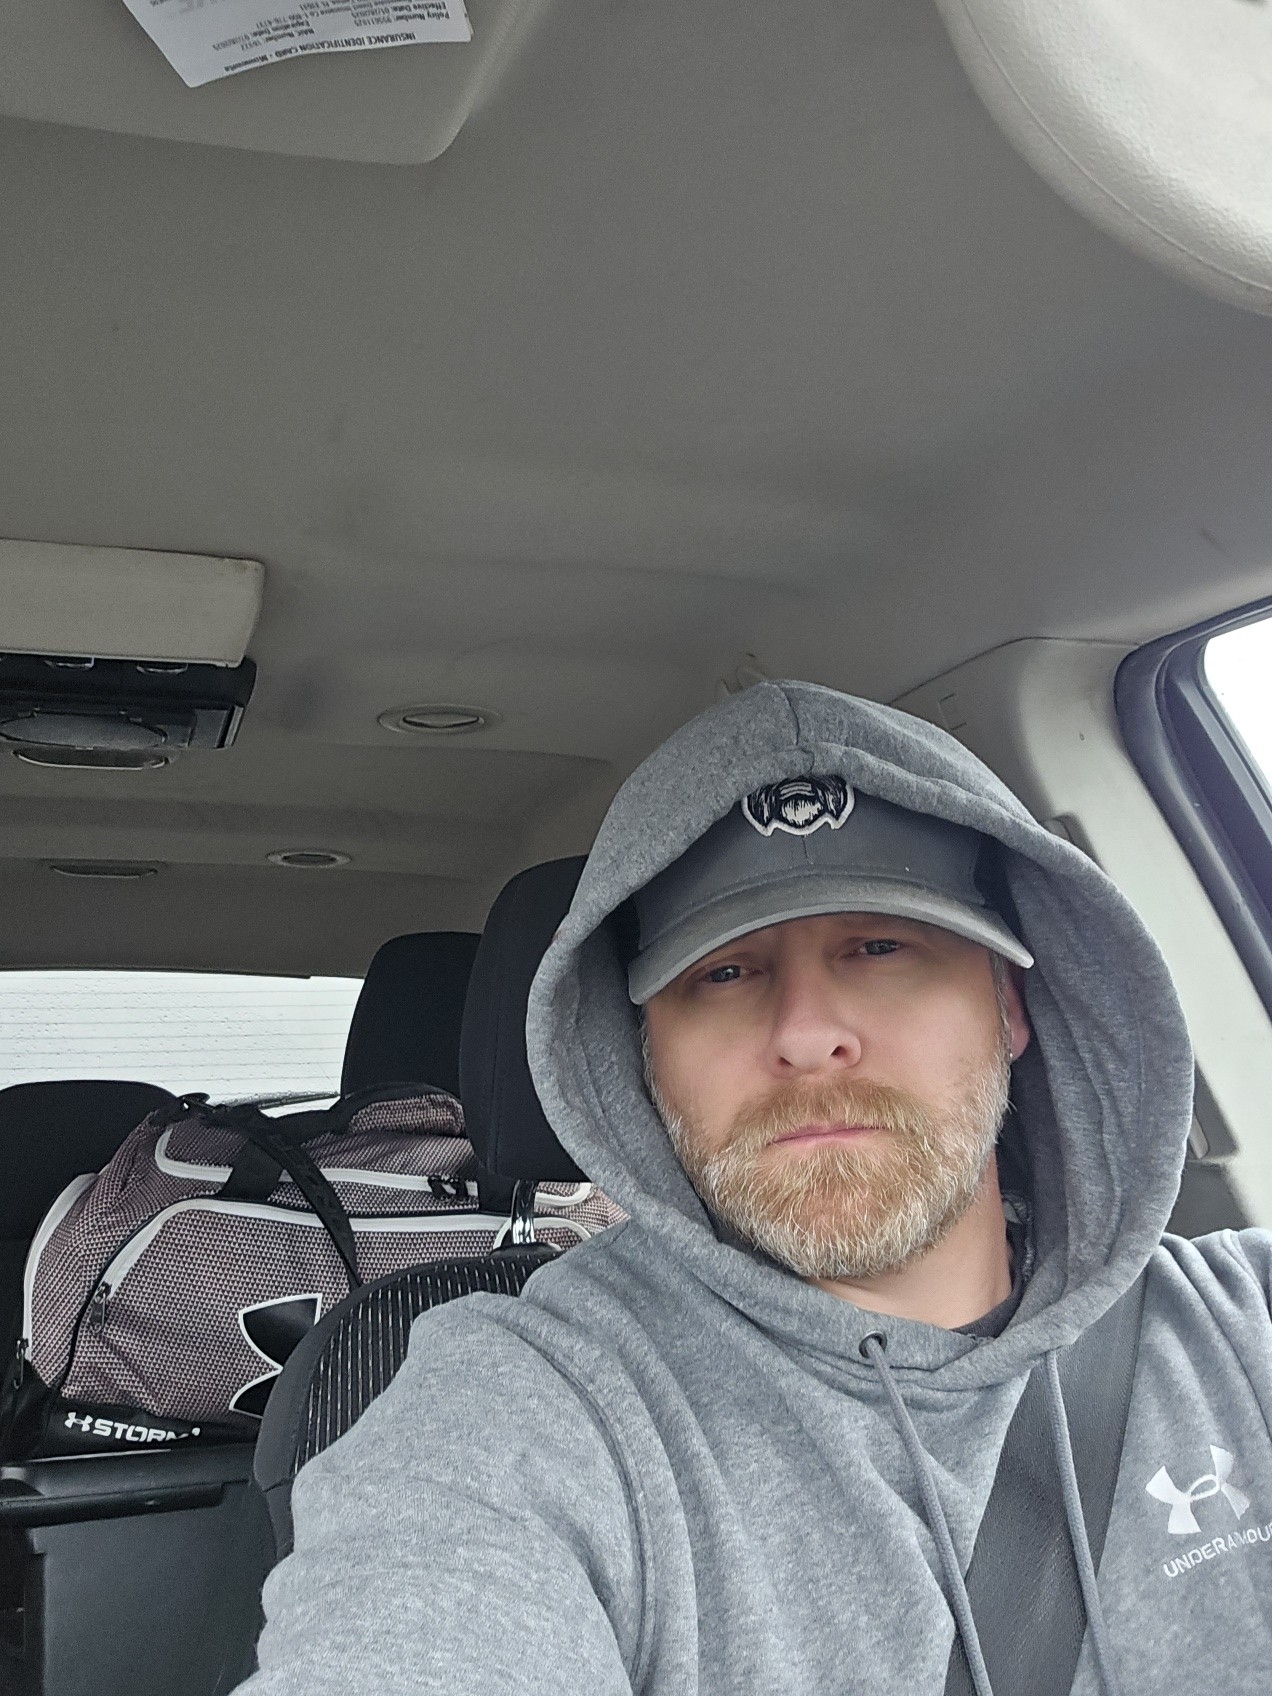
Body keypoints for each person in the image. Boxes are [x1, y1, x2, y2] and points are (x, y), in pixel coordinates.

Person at [242, 680, 1272, 1696]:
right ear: (642, 1057)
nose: (806, 1034)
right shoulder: (517, 1406)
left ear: (1009, 1006)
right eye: (725, 972)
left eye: (881, 946)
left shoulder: (1244, 1325)